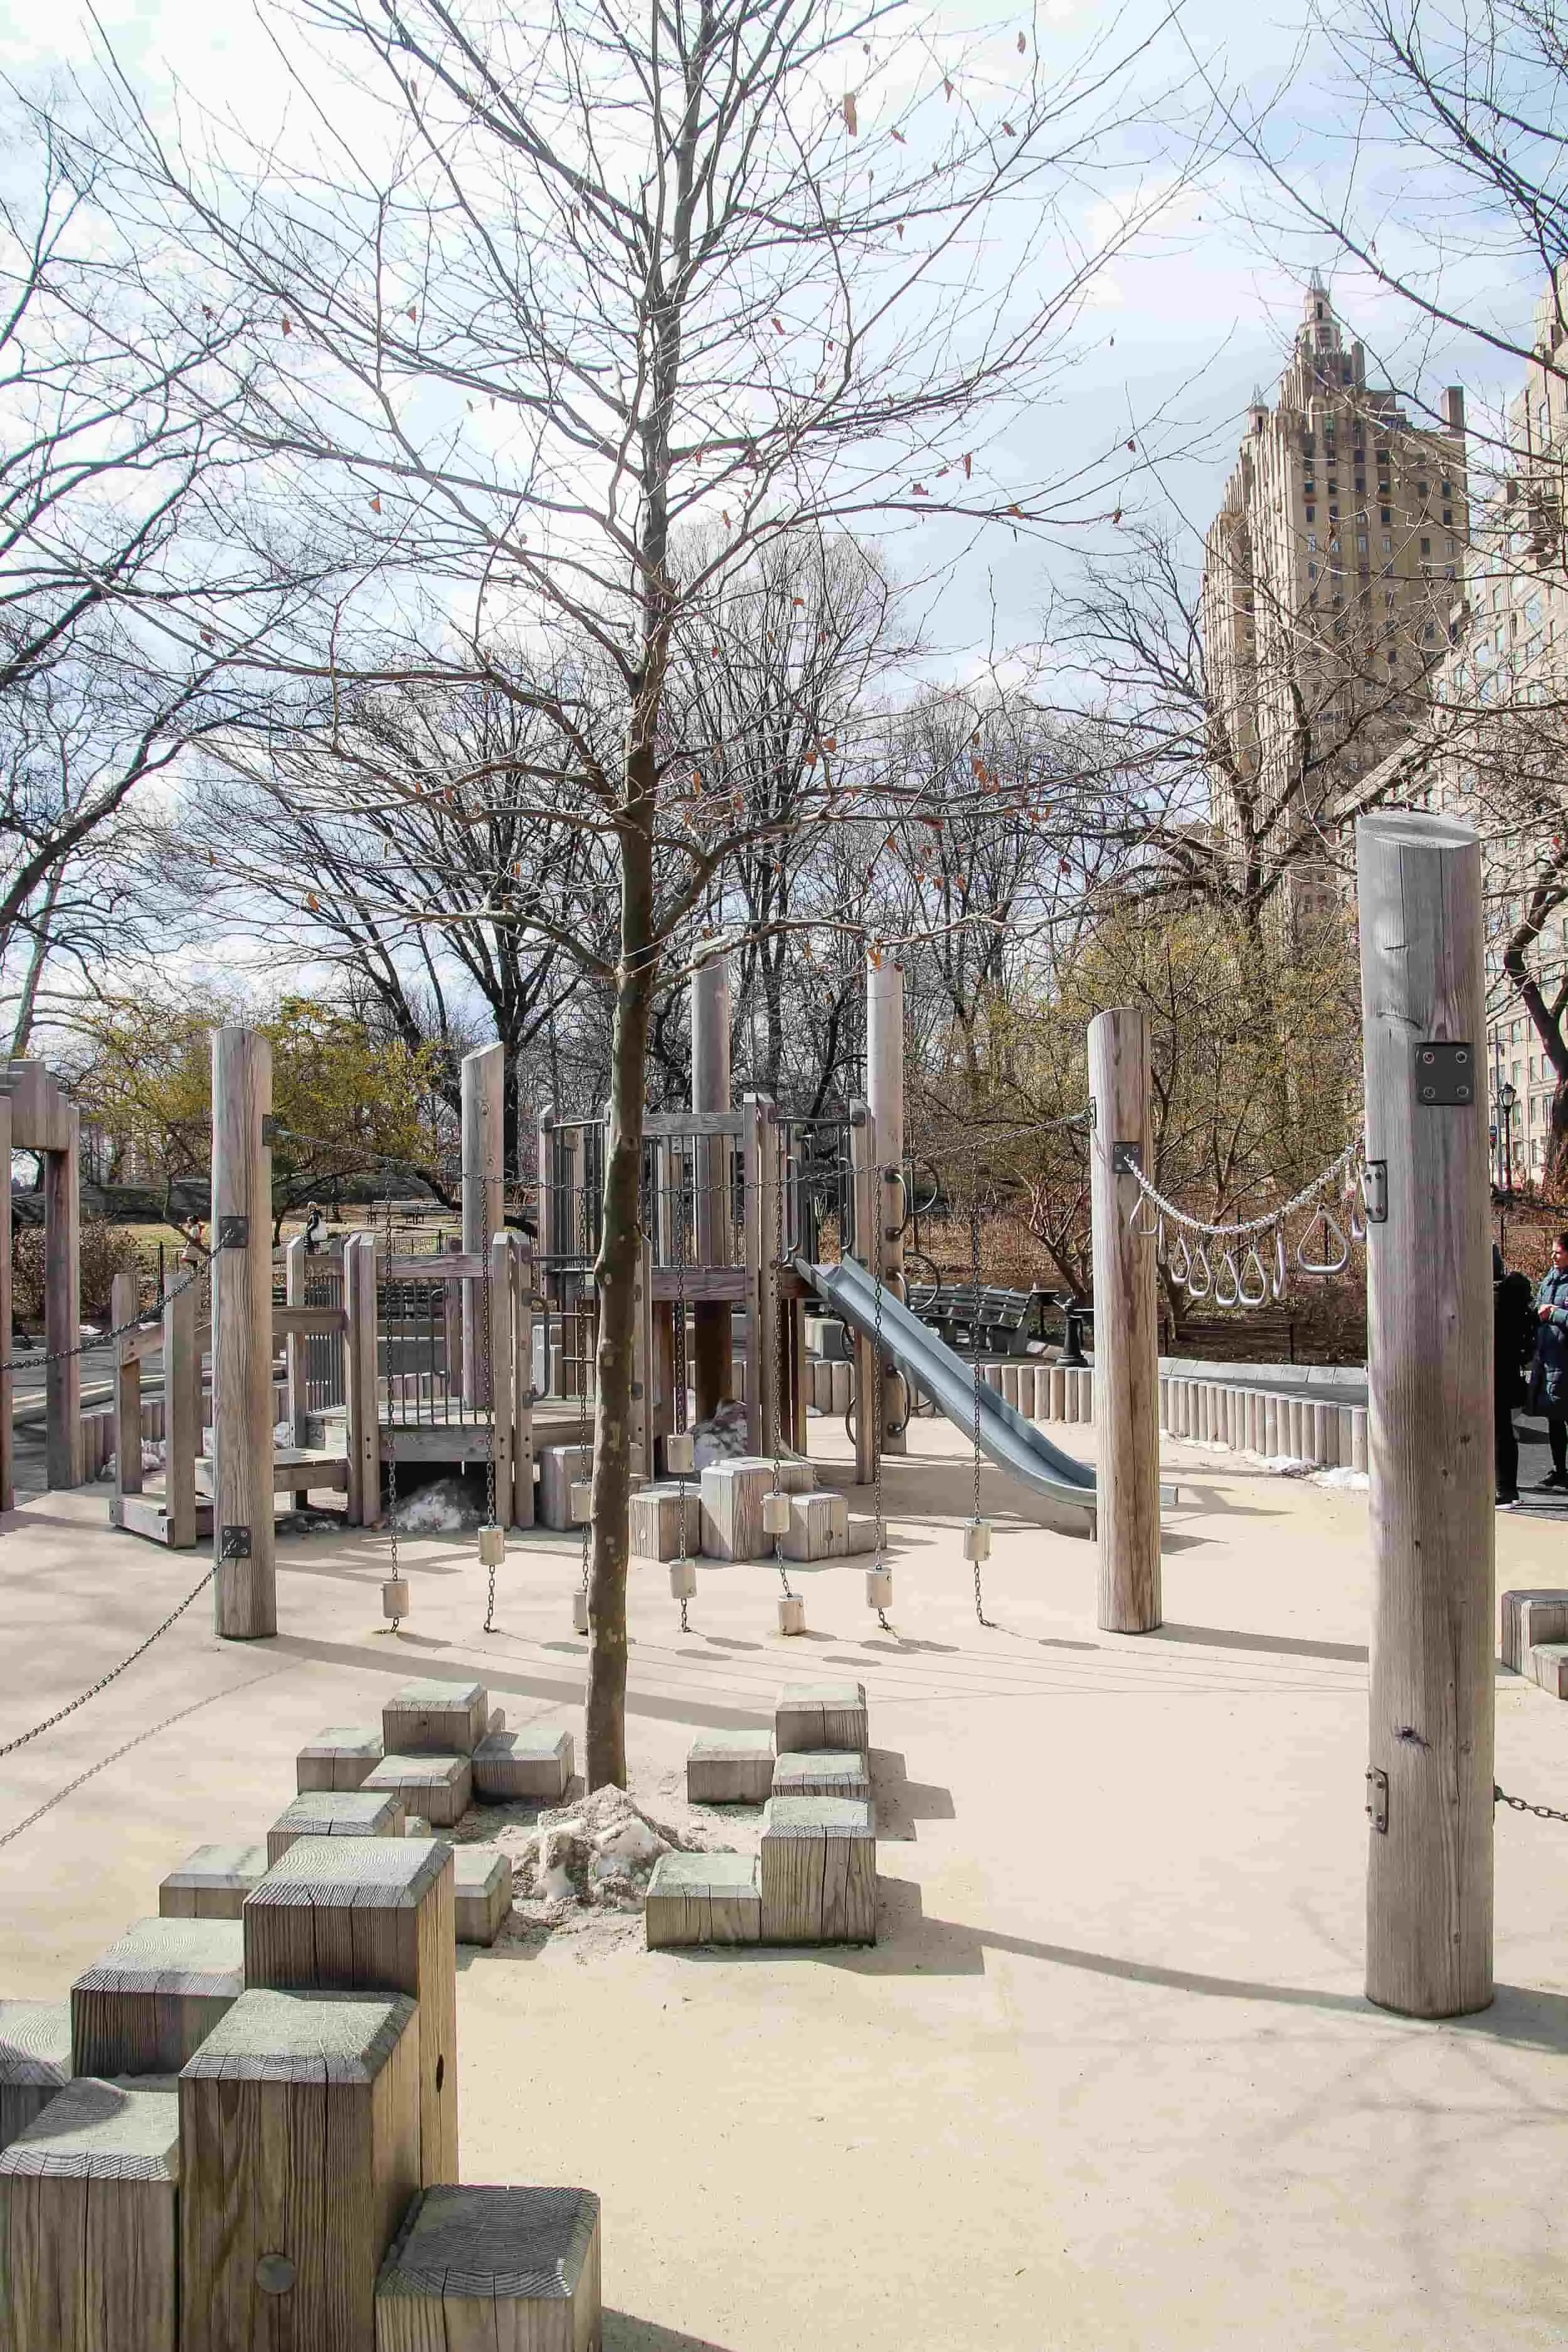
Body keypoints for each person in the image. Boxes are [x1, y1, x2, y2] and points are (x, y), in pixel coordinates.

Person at [1495, 1242, 1535, 1507]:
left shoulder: (1495, 1301)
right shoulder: (1519, 1303)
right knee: (1504, 1431)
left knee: (1498, 1432)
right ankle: (1507, 1487)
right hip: (1509, 1373)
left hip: (1492, 1373)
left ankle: (1503, 1489)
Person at [1528, 1231, 1568, 1491]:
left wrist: (1555, 1313)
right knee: (1554, 1417)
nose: (1553, 1256)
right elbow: (1538, 1307)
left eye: (1559, 1252)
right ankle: (1559, 1470)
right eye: (1552, 1251)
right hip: (1548, 1360)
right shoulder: (1550, 1278)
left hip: (1565, 1361)